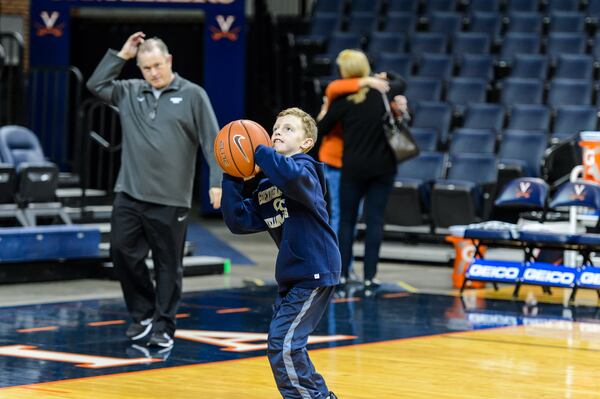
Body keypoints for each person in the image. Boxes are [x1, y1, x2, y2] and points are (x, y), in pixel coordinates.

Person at [86, 32, 222, 348]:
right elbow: (96, 85)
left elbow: (212, 141)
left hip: (171, 200)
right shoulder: (130, 91)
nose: (153, 73)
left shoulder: (193, 95)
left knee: (168, 266)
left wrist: (217, 181)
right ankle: (143, 313)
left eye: (158, 65)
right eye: (146, 68)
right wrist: (121, 55)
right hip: (130, 193)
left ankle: (164, 325)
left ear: (169, 61)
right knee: (120, 252)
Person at [221, 107, 340, 399]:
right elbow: (239, 221)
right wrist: (232, 177)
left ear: (306, 143)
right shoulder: (267, 184)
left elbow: (289, 176)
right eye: (275, 128)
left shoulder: (306, 169)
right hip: (293, 274)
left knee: (282, 344)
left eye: (288, 129)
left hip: (315, 268)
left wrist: (257, 149)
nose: (277, 132)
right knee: (288, 343)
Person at [316, 49, 407, 293]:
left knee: (346, 222)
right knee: (375, 222)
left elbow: (320, 129)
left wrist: (325, 110)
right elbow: (401, 82)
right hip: (383, 167)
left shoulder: (344, 101)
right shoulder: (384, 94)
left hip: (354, 168)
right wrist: (386, 75)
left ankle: (344, 274)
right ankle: (369, 277)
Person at [316, 75, 390, 284]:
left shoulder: (351, 97)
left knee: (348, 218)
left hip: (348, 163)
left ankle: (344, 269)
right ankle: (339, 268)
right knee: (341, 216)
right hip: (337, 163)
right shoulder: (342, 94)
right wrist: (368, 81)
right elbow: (332, 88)